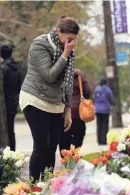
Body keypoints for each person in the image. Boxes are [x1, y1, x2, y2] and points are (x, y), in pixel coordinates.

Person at [19, 16, 80, 181]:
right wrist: (65, 54)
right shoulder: (40, 44)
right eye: (68, 39)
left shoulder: (68, 50)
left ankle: (47, 185)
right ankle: (34, 187)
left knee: (52, 147)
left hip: (55, 102)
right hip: (35, 98)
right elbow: (49, 76)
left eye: (74, 40)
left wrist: (67, 110)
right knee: (41, 144)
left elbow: (67, 83)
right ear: (58, 31)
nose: (71, 43)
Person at [59, 69, 91, 154]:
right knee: (79, 134)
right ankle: (74, 152)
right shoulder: (80, 75)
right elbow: (87, 91)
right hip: (78, 112)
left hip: (63, 111)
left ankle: (65, 157)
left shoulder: (60, 74)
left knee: (64, 136)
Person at [1, 45, 22, 151]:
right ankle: (12, 152)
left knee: (4, 131)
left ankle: (6, 153)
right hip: (13, 103)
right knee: (10, 130)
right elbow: (18, 85)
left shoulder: (3, 69)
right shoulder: (16, 68)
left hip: (4, 105)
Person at [94, 77, 113, 145]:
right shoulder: (107, 89)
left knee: (99, 125)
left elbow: (94, 98)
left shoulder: (96, 89)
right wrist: (111, 103)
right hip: (105, 110)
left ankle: (99, 140)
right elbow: (111, 98)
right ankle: (104, 140)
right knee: (105, 125)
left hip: (97, 109)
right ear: (106, 82)